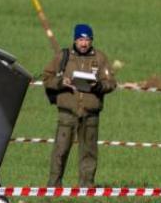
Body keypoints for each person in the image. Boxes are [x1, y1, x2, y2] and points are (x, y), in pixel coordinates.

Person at [42, 23, 117, 187]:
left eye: (87, 39)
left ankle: (86, 187)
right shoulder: (63, 57)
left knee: (88, 152)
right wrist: (62, 82)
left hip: (91, 114)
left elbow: (111, 83)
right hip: (67, 113)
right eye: (80, 39)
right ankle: (53, 186)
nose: (84, 43)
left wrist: (98, 86)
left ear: (91, 41)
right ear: (75, 40)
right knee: (60, 151)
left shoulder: (100, 58)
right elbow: (47, 78)